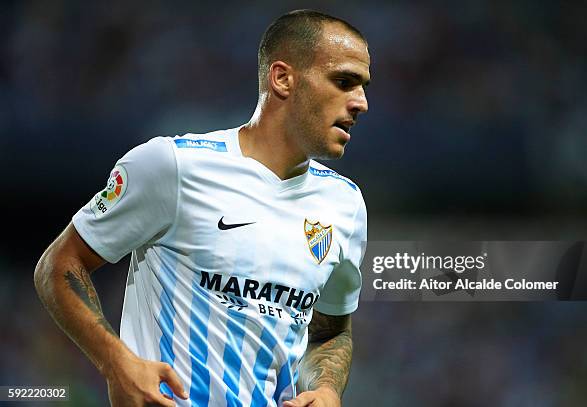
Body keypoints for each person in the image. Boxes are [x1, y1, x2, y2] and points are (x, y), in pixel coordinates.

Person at [35, 9, 369, 407]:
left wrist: (327, 389)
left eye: (363, 86)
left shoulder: (344, 204)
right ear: (283, 78)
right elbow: (60, 264)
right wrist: (116, 362)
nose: (361, 103)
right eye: (344, 82)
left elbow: (330, 330)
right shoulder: (172, 166)